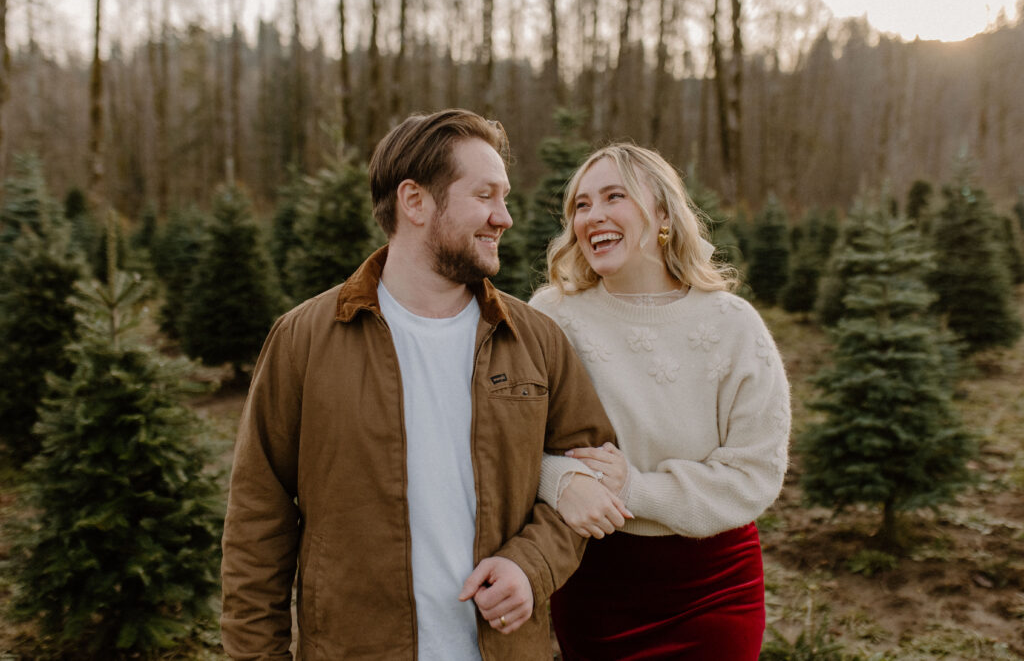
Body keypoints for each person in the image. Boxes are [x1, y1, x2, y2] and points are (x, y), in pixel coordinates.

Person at [219, 109, 620, 660]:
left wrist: (532, 567)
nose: (504, 217)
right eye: (485, 196)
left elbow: (592, 470)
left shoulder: (536, 341)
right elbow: (257, 521)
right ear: (415, 201)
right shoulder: (303, 341)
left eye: (504, 197)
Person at [531, 143, 791, 660]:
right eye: (581, 205)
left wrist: (634, 487)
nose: (593, 216)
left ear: (664, 214)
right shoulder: (553, 317)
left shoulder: (733, 325)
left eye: (613, 196)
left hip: (714, 585)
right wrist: (561, 481)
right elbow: (507, 441)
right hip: (597, 584)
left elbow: (756, 471)